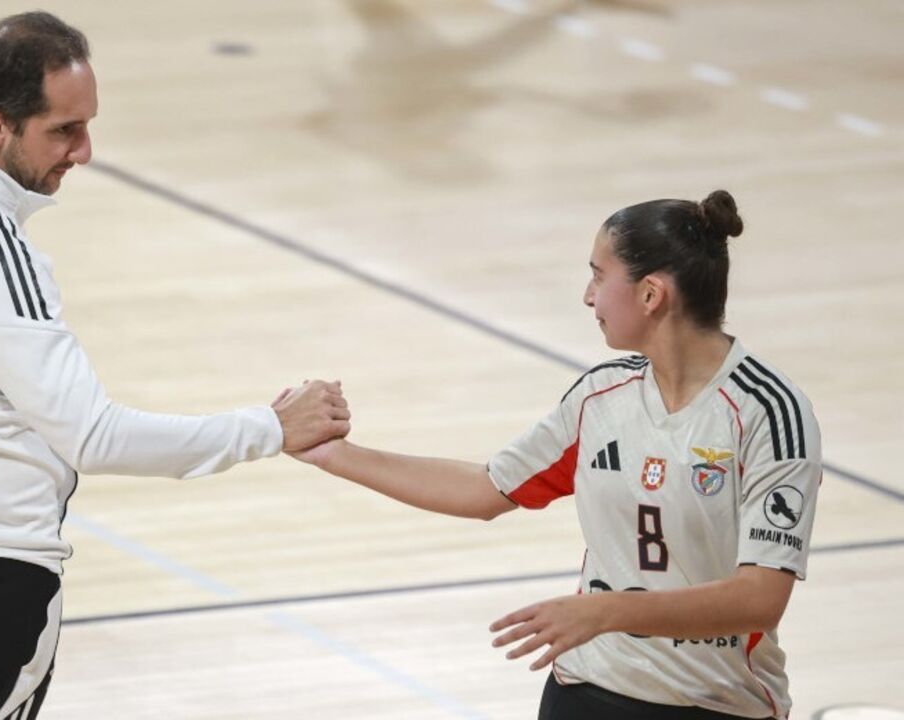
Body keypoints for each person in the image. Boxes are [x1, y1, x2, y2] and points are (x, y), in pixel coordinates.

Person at [0, 11, 349, 720]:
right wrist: (267, 427)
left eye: (87, 125)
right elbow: (94, 436)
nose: (83, 151)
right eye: (63, 131)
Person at [289, 190, 820, 719]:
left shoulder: (768, 413)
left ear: (651, 294)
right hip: (586, 688)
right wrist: (334, 454)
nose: (588, 297)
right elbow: (485, 490)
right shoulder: (600, 398)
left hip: (714, 705)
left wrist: (609, 611)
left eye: (598, 275)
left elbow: (759, 598)